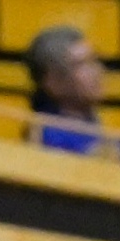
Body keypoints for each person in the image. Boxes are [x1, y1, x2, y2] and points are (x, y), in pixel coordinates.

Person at [26, 25, 108, 154]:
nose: (97, 71)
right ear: (53, 81)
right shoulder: (46, 137)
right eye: (81, 64)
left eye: (94, 60)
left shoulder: (92, 123)